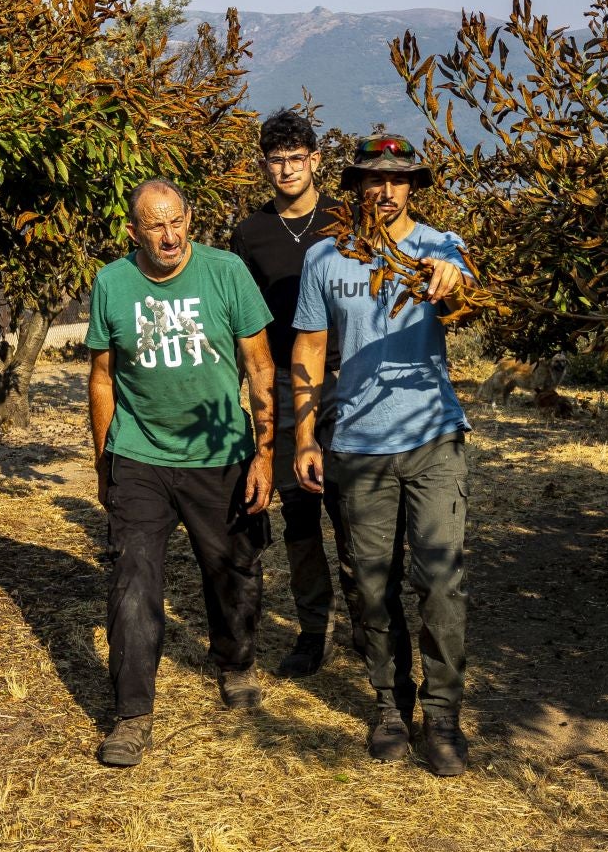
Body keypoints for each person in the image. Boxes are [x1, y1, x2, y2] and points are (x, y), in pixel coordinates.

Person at [292, 135, 474, 777]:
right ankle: (389, 704)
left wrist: (449, 281)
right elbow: (310, 349)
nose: (387, 190)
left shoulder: (439, 247)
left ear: (413, 187)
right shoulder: (324, 257)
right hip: (358, 446)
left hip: (433, 439)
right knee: (371, 586)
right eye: (375, 178)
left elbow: (460, 295)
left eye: (399, 179)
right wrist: (306, 437)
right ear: (356, 186)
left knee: (441, 583)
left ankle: (443, 714)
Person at [86, 178, 277, 767]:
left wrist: (264, 453)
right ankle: (132, 715)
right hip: (139, 454)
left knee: (234, 571)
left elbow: (260, 366)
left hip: (219, 452)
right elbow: (101, 378)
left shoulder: (227, 273)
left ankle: (236, 661)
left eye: (176, 222)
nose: (169, 237)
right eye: (155, 226)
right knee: (133, 582)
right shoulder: (112, 282)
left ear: (189, 219)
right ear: (133, 231)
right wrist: (105, 464)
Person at [228, 108, 374, 678]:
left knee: (355, 510)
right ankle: (314, 631)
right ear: (264, 165)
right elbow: (245, 322)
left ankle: (367, 626)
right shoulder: (251, 234)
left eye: (296, 158)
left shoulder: (348, 220)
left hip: (350, 380)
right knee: (301, 513)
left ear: (315, 160)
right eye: (276, 160)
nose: (287, 169)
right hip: (286, 387)